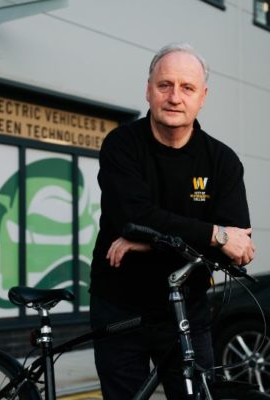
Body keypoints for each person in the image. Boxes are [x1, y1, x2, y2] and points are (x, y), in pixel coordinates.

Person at [89, 43, 255, 400]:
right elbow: (132, 216)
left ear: (203, 96)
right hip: (119, 304)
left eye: (187, 87)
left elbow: (234, 250)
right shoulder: (121, 145)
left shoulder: (222, 162)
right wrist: (214, 233)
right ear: (148, 89)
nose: (175, 97)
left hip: (187, 310)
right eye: (165, 85)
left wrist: (148, 239)